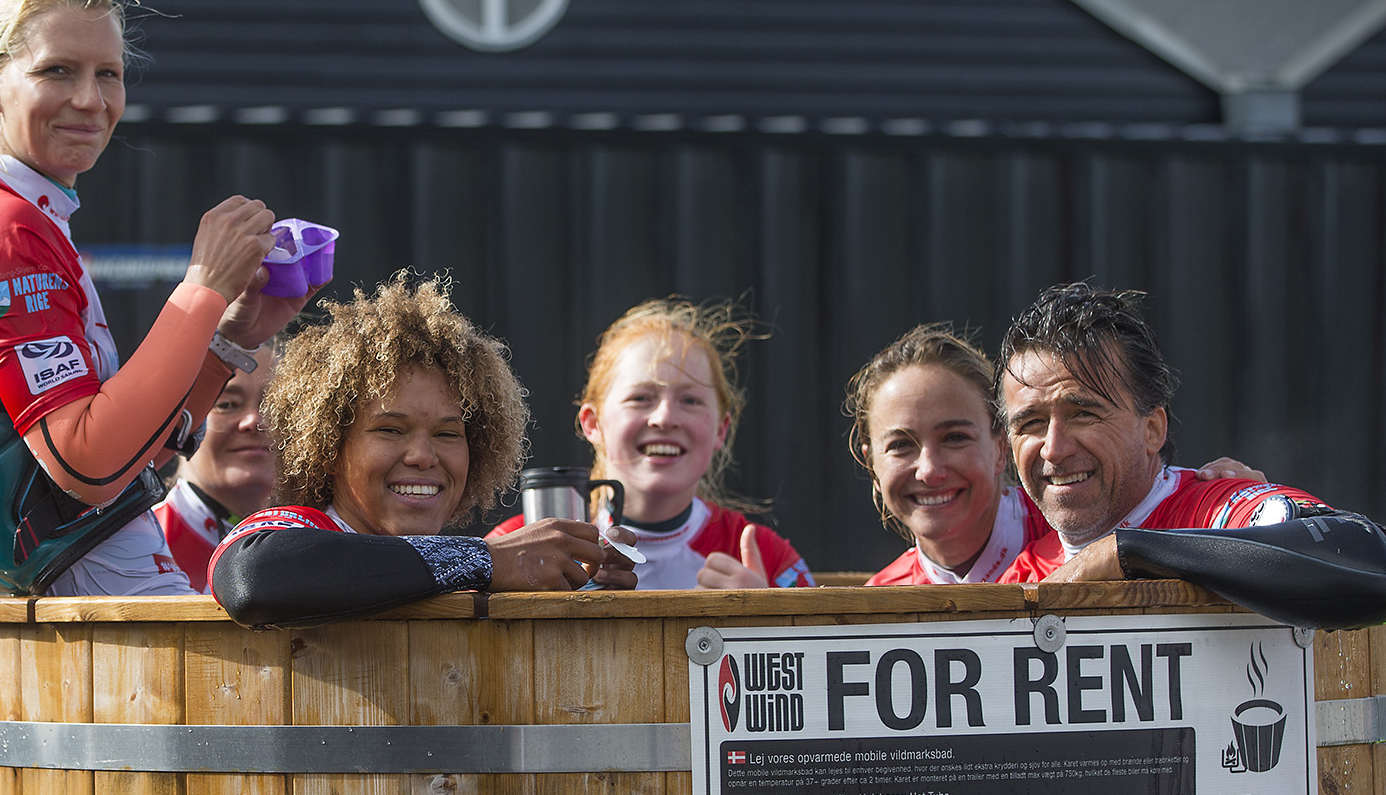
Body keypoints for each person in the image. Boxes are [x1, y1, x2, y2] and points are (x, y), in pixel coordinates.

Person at [0, 0, 309, 596]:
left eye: (108, 75)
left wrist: (228, 338)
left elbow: (136, 449)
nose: (90, 100)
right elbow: (86, 463)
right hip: (95, 624)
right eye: (57, 70)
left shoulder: (11, 214)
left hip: (81, 605)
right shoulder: (4, 230)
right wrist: (203, 287)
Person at [210, 279, 636, 627]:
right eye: (390, 429)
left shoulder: (461, 574)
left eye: (448, 434)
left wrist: (580, 589)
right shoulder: (301, 526)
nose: (422, 456)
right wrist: (489, 560)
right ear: (328, 449)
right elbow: (254, 578)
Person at [990, 283, 1386, 629]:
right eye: (1031, 424)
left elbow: (1364, 553)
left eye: (1083, 414)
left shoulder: (1215, 510)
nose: (1055, 448)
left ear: (1153, 430)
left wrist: (1128, 552)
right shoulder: (1019, 578)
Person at [845, 323, 1266, 586]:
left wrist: (1227, 505)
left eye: (955, 437)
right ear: (871, 465)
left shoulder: (1071, 504)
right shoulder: (885, 597)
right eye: (901, 445)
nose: (931, 469)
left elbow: (1149, 495)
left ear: (998, 449)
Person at [488, 298, 812, 590]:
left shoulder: (764, 556)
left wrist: (762, 623)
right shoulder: (513, 546)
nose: (665, 417)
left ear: (721, 431)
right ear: (593, 423)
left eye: (691, 400)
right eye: (641, 398)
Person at [156, 343, 277, 591]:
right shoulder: (140, 541)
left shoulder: (324, 536)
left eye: (273, 404)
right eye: (227, 404)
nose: (254, 420)